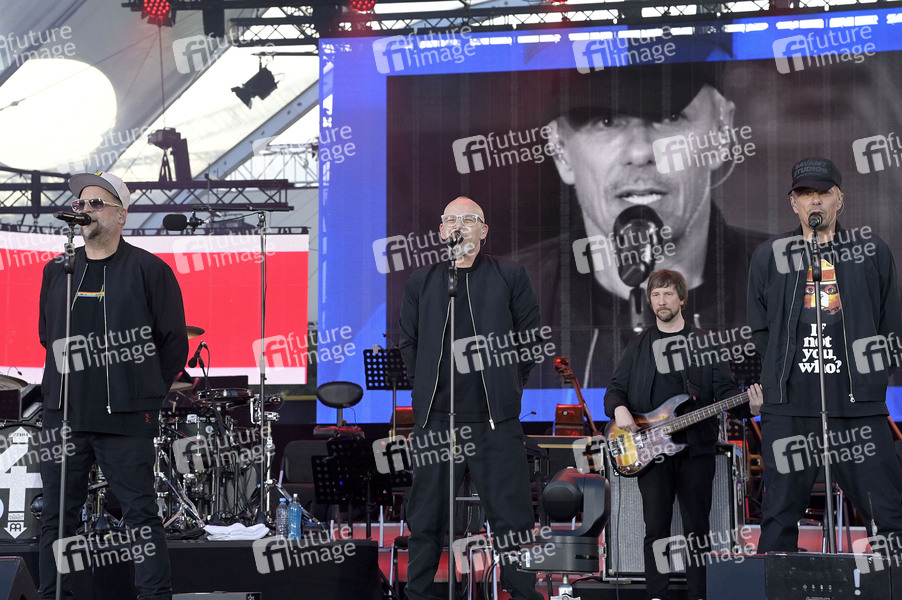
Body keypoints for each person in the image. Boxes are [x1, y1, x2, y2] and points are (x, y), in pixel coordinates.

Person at [515, 60, 769, 388]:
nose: (639, 152)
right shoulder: (499, 304)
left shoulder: (795, 288)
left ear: (722, 133)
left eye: (670, 117)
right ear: (560, 150)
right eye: (606, 121)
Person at [38, 171, 189, 600]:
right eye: (81, 203)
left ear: (121, 216)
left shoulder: (149, 269)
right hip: (64, 415)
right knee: (57, 519)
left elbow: (173, 342)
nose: (85, 209)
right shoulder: (58, 270)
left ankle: (154, 595)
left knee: (141, 514)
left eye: (96, 203)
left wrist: (144, 393)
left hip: (125, 415)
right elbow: (47, 334)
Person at [747, 157, 902, 553]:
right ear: (793, 203)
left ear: (839, 199)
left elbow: (891, 326)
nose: (814, 201)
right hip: (790, 408)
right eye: (805, 194)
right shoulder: (770, 255)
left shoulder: (871, 251)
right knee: (778, 518)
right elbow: (760, 327)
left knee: (887, 514)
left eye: (822, 193)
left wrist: (869, 379)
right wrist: (781, 373)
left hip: (856, 407)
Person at [399, 196, 543, 600]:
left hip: (494, 422)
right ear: (441, 231)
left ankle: (523, 593)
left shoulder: (510, 275)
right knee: (425, 519)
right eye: (451, 220)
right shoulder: (422, 281)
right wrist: (424, 389)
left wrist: (508, 386)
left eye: (468, 219)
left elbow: (530, 340)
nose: (458, 226)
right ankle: (418, 594)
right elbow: (408, 342)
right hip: (437, 421)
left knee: (512, 521)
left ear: (483, 230)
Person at [605, 269, 762, 600]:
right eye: (655, 295)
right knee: (655, 529)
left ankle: (698, 594)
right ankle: (656, 594)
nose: (661, 301)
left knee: (697, 531)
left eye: (668, 294)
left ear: (682, 299)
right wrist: (618, 409)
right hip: (650, 451)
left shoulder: (705, 343)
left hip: (696, 451)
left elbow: (725, 393)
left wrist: (751, 406)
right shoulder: (638, 345)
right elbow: (615, 389)